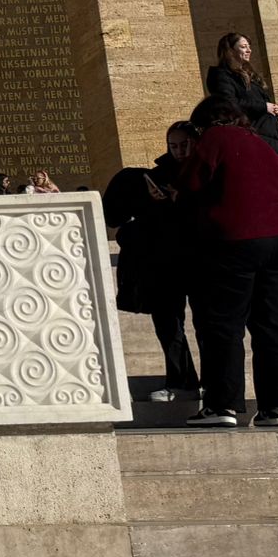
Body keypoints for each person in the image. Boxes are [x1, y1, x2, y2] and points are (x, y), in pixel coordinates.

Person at [179, 96, 278, 428]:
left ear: (203, 124)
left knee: (224, 325)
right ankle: (276, 408)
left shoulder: (213, 139)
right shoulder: (263, 146)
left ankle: (223, 405)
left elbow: (191, 184)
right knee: (271, 323)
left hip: (236, 240)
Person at [104, 121, 199, 404]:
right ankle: (182, 379)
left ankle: (216, 386)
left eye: (185, 145)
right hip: (164, 261)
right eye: (174, 146)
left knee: (208, 327)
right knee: (169, 324)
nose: (180, 151)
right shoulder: (157, 175)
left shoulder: (206, 172)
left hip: (200, 257)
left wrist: (177, 199)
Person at [206, 32, 278, 158]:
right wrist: (264, 107)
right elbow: (227, 103)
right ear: (230, 51)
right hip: (252, 137)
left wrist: (276, 109)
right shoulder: (221, 75)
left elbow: (260, 101)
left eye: (249, 46)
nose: (249, 50)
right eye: (243, 47)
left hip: (271, 138)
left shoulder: (249, 75)